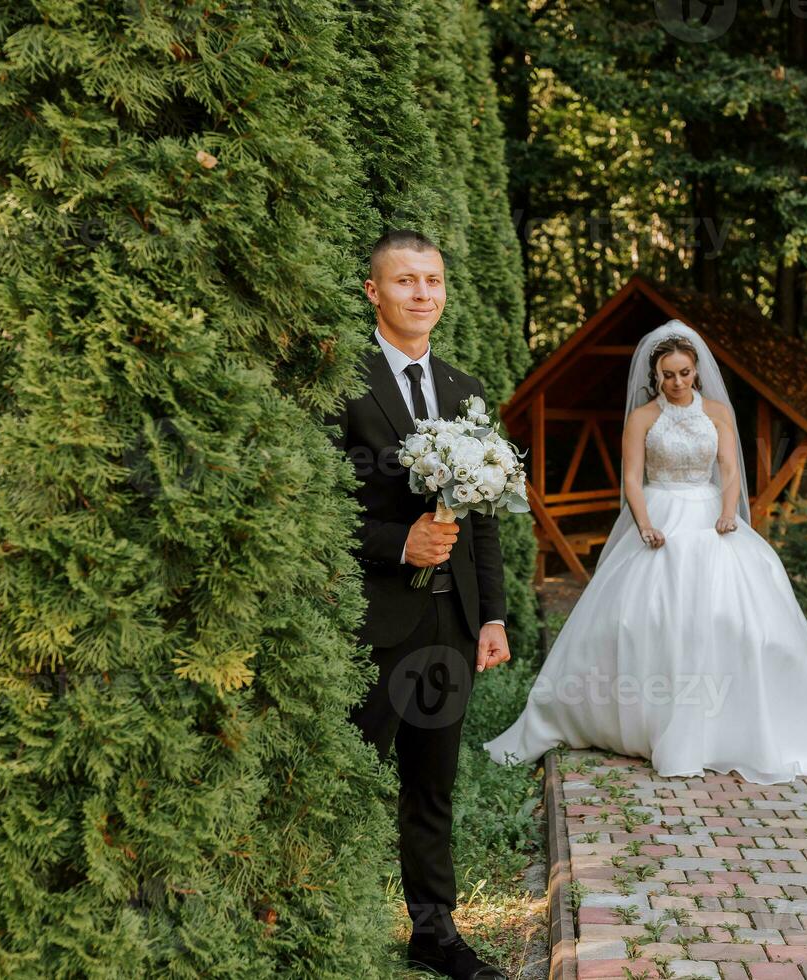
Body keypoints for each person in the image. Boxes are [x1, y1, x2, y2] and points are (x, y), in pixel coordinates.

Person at [483, 320, 807, 784]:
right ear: (656, 375)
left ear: (696, 372)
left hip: (711, 517)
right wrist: (645, 524)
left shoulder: (717, 414)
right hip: (661, 513)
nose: (677, 381)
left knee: (736, 620)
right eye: (668, 374)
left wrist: (729, 513)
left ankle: (733, 725)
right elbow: (631, 478)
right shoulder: (643, 418)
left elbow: (729, 469)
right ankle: (641, 719)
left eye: (685, 372)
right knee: (643, 620)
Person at [326, 230, 511, 980]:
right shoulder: (345, 383)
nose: (422, 294)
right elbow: (321, 509)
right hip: (375, 622)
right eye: (406, 282)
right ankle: (320, 923)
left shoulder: (466, 388)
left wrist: (491, 615)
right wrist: (398, 544)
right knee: (345, 778)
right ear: (374, 291)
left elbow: (487, 517)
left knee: (432, 787)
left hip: (450, 622)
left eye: (432, 281)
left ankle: (435, 934)